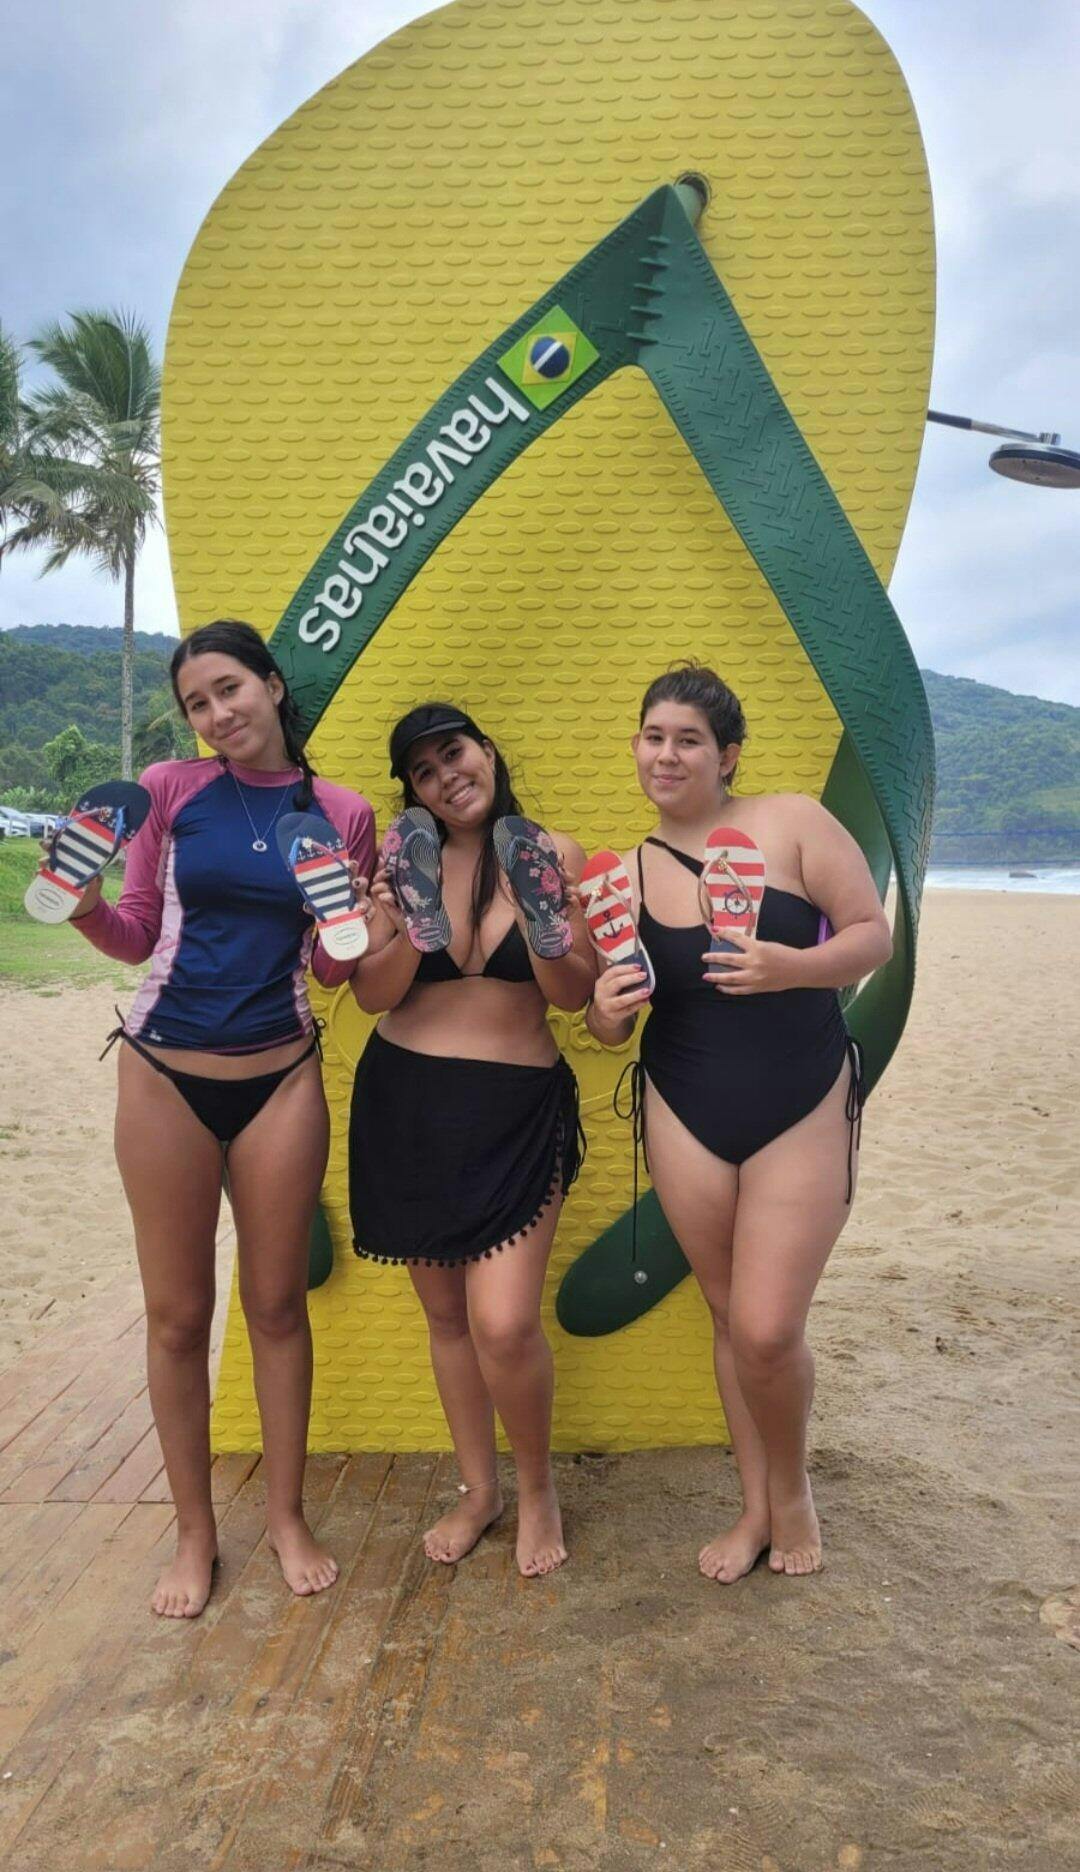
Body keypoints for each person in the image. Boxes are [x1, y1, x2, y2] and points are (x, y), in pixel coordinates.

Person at [68, 620, 375, 1618]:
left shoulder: (342, 812)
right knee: (177, 1316)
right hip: (164, 1074)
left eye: (229, 688)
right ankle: (194, 1532)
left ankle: (286, 1517)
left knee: (277, 1307)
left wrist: (353, 921)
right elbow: (137, 934)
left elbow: (331, 968)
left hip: (280, 1079)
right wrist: (80, 904)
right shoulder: (170, 790)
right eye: (197, 703)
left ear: (274, 686)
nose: (216, 713)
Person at [586, 664, 892, 1581]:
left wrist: (787, 968)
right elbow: (611, 1026)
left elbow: (871, 934)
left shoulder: (792, 821)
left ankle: (792, 1493)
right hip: (684, 1105)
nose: (666, 755)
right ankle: (754, 1506)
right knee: (726, 1315)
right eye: (653, 737)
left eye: (688, 739)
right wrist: (604, 1010)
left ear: (726, 755)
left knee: (766, 1328)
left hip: (803, 1096)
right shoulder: (624, 875)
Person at [349, 703, 594, 1577]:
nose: (445, 775)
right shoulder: (398, 863)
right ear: (413, 792)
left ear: (487, 750)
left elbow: (573, 994)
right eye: (423, 771)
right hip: (407, 1102)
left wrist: (542, 919)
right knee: (449, 1319)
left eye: (454, 753)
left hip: (517, 1109)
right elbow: (372, 995)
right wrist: (402, 925)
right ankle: (480, 1491)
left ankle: (537, 1491)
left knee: (505, 1323)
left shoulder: (552, 853)